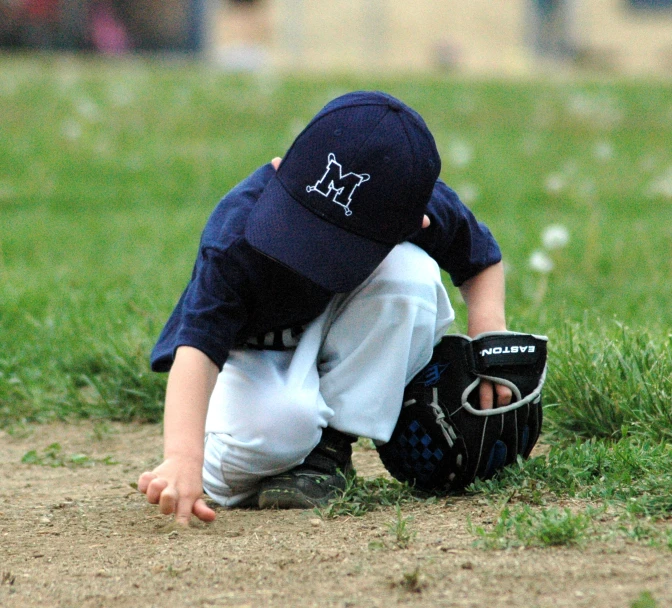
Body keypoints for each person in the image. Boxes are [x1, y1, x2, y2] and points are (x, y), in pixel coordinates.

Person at [138, 90, 511, 524]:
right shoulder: (236, 233)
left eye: (335, 246)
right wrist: (183, 457)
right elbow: (197, 349)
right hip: (248, 358)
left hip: (330, 325)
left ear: (416, 224)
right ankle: (227, 461)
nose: (308, 254)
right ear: (280, 168)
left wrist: (489, 340)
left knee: (412, 279)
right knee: (282, 427)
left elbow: (480, 259)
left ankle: (328, 449)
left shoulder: (413, 203)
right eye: (296, 227)